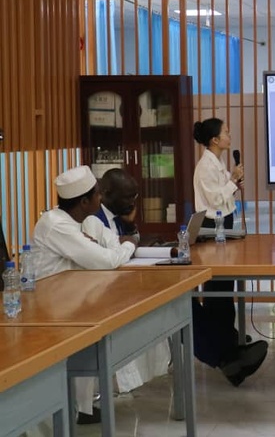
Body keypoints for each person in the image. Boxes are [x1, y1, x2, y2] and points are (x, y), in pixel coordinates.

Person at [31, 166, 138, 425]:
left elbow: (110, 247)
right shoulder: (56, 225)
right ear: (84, 201)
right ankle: (74, 411)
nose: (101, 200)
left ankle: (82, 409)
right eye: (97, 195)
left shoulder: (85, 220)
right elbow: (110, 258)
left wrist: (116, 246)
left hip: (76, 300)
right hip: (51, 308)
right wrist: (130, 244)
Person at [81, 168, 171, 399]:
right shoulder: (94, 220)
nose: (132, 203)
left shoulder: (118, 214)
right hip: (100, 292)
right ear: (106, 193)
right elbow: (107, 257)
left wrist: (130, 228)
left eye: (135, 196)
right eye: (127, 197)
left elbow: (128, 243)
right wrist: (129, 240)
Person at [193, 118, 269, 386]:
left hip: (223, 224)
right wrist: (233, 180)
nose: (229, 135)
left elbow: (224, 196)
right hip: (212, 227)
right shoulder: (205, 167)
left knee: (224, 288)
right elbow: (215, 199)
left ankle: (229, 344)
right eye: (226, 132)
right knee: (217, 290)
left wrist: (233, 181)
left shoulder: (216, 163)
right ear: (214, 139)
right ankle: (227, 351)